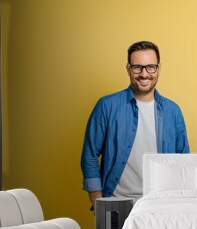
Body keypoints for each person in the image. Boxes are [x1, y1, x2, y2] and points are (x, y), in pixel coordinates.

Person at [81, 41, 190, 212]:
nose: (144, 74)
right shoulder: (107, 106)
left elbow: (184, 162)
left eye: (150, 67)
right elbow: (89, 154)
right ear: (128, 69)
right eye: (137, 67)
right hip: (116, 205)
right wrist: (98, 203)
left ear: (158, 69)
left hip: (161, 206)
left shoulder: (173, 111)